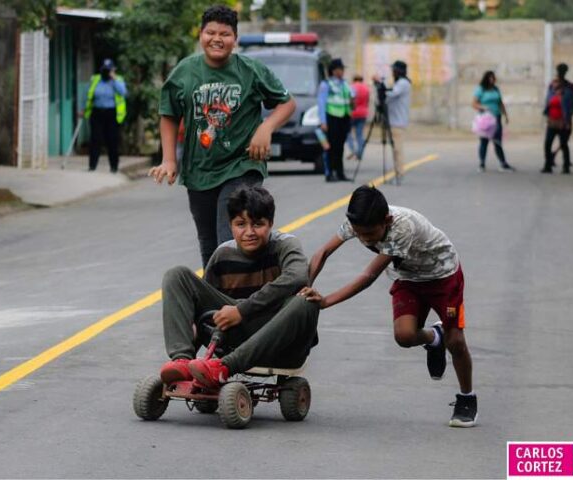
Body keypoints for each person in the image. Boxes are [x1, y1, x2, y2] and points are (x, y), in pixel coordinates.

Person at [298, 185, 477, 427]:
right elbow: (323, 252)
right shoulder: (358, 221)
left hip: (443, 276)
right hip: (409, 279)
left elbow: (368, 276)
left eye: (370, 235)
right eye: (359, 234)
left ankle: (467, 398)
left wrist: (326, 301)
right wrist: (306, 288)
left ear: (387, 220)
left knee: (455, 340)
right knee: (404, 336)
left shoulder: (402, 227)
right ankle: (435, 338)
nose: (364, 239)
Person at [150, 5, 296, 268]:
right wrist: (169, 160)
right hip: (200, 170)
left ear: (235, 39)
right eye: (211, 32)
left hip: (243, 165)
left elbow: (286, 103)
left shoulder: (250, 70)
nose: (217, 39)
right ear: (200, 35)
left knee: (230, 239)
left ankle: (239, 302)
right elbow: (169, 114)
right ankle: (219, 300)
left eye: (225, 34)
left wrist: (265, 128)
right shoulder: (185, 72)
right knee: (210, 246)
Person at [158, 185, 320, 388]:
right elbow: (205, 312)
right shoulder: (223, 254)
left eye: (258, 224)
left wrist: (242, 310)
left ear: (270, 224)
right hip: (236, 339)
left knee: (306, 301)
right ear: (231, 225)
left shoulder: (285, 245)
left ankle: (224, 368)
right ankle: (181, 361)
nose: (249, 232)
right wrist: (194, 362)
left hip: (279, 343)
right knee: (176, 275)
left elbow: (297, 277)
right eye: (241, 224)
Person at [84, 58, 128, 173]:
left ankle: (114, 167)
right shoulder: (95, 79)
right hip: (97, 112)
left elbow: (123, 92)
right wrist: (84, 110)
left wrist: (113, 78)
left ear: (113, 70)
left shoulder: (117, 80)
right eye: (104, 69)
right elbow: (89, 95)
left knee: (112, 140)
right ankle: (92, 166)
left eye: (109, 69)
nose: (106, 72)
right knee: (95, 140)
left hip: (111, 113)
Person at [318, 58, 354, 182]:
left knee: (340, 147)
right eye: (340, 69)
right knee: (330, 147)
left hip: (343, 118)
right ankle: (329, 173)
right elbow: (321, 103)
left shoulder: (344, 84)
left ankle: (340, 172)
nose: (342, 71)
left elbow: (351, 98)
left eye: (343, 69)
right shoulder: (326, 84)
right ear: (333, 71)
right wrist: (323, 121)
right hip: (331, 118)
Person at [473, 71, 515, 173]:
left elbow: (500, 103)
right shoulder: (481, 89)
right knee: (484, 141)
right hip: (486, 118)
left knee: (498, 141)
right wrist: (483, 107)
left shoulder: (496, 89)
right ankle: (482, 163)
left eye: (493, 78)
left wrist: (505, 115)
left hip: (496, 117)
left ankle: (503, 163)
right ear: (486, 78)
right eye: (490, 78)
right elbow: (474, 103)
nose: (492, 80)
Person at [541, 63, 573, 174]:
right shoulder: (552, 85)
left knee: (564, 144)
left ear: (565, 72)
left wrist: (568, 120)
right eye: (559, 71)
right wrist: (547, 114)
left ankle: (566, 166)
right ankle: (548, 165)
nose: (560, 73)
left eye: (562, 71)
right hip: (552, 120)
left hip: (563, 120)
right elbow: (548, 101)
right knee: (547, 144)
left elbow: (571, 104)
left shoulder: (569, 87)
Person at [384, 60, 412, 182]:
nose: (392, 72)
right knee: (395, 150)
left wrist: (381, 86)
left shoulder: (403, 83)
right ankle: (397, 173)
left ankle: (399, 174)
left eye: (394, 70)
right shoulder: (399, 83)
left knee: (398, 150)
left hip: (398, 122)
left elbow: (392, 94)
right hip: (394, 121)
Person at [346, 74, 369, 161]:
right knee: (359, 134)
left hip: (352, 112)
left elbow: (349, 100)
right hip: (363, 113)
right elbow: (367, 101)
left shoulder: (351, 87)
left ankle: (353, 149)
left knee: (348, 133)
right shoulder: (366, 88)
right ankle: (360, 152)